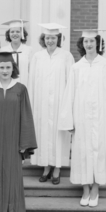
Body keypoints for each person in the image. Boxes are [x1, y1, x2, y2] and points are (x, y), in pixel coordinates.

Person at [58, 29, 106, 208]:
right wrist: (69, 120)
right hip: (81, 117)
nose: (89, 45)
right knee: (82, 152)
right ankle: (85, 189)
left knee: (99, 152)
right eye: (86, 41)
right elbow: (69, 95)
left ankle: (95, 189)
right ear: (82, 44)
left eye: (92, 41)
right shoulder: (76, 67)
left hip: (101, 117)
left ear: (98, 43)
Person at [0, 52, 37, 212]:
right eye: (2, 67)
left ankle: (10, 211)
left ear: (13, 69)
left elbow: (26, 116)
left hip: (13, 140)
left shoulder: (20, 89)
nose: (5, 70)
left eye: (8, 67)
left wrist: (24, 143)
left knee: (11, 176)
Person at [27, 23, 74, 185]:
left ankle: (57, 168)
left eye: (53, 38)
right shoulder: (37, 57)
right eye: (47, 38)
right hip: (42, 103)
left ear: (58, 39)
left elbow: (70, 81)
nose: (50, 41)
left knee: (58, 135)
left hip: (60, 103)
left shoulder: (66, 56)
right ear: (43, 39)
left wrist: (69, 103)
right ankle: (46, 167)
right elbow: (32, 80)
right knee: (43, 133)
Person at [0, 19, 33, 86]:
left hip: (24, 84)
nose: (15, 34)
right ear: (9, 34)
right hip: (7, 86)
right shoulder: (3, 50)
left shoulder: (29, 50)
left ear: (22, 34)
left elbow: (31, 72)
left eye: (18, 31)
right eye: (12, 32)